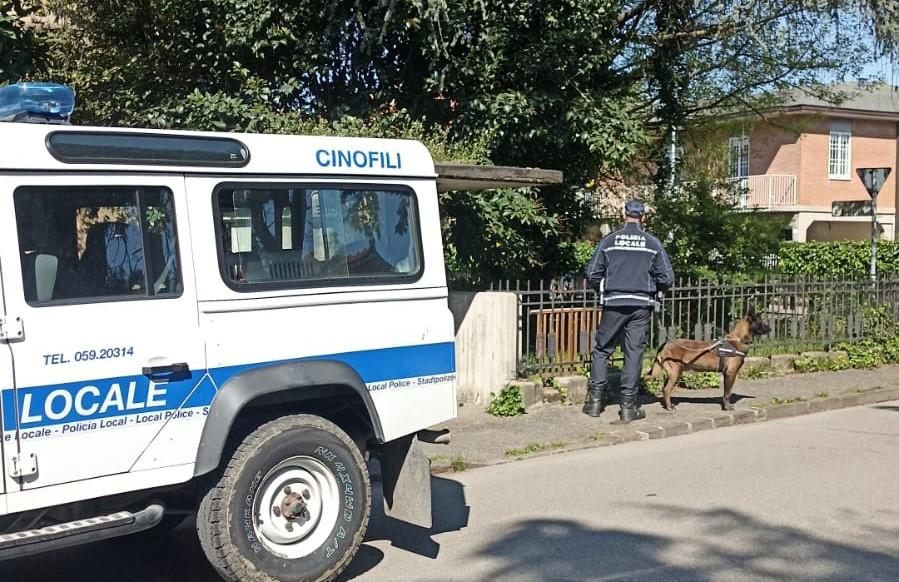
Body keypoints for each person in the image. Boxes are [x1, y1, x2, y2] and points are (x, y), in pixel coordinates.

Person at [583, 200, 674, 422]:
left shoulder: (609, 241)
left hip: (614, 302)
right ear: (643, 217)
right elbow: (667, 278)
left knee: (603, 348)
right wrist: (656, 291)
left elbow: (593, 272)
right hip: (641, 305)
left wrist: (602, 290)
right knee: (633, 353)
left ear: (623, 214)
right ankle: (628, 407)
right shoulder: (653, 243)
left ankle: (595, 401)